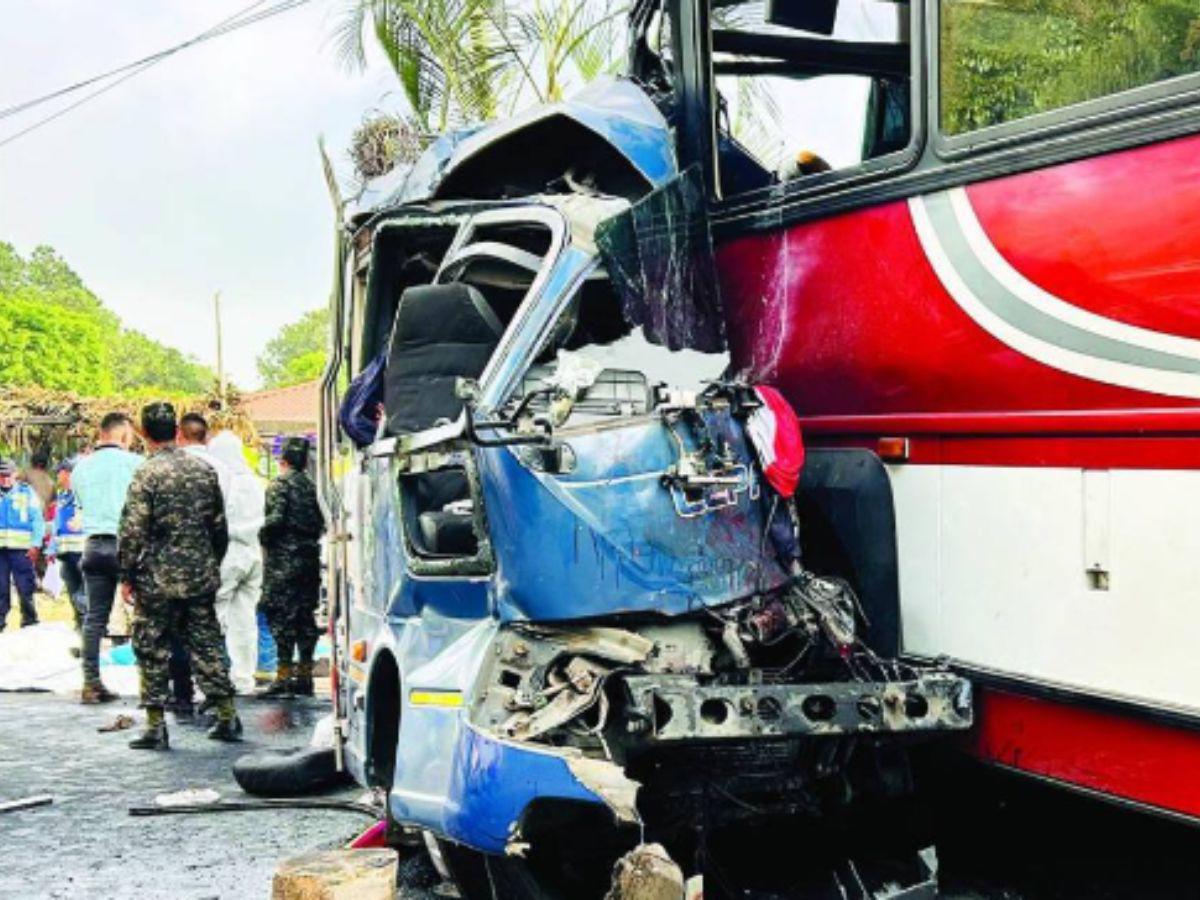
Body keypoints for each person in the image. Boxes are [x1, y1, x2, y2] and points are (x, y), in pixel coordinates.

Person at [119, 402, 241, 749]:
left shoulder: (147, 474)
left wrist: (126, 573)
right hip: (200, 574)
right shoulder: (203, 471)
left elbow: (132, 530)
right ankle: (226, 714)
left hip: (157, 578)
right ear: (175, 431)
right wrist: (210, 562)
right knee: (207, 642)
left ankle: (156, 725)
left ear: (144, 433)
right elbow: (219, 527)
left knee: (152, 646)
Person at [72, 412, 142, 704]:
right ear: (124, 434)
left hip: (93, 547)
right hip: (127, 547)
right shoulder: (135, 464)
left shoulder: (80, 469)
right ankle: (151, 686)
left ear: (100, 433)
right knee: (145, 615)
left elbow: (82, 505)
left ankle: (91, 682)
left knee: (94, 619)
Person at [259, 437, 325, 697]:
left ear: (283, 460)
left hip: (283, 561)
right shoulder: (314, 487)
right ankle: (305, 675)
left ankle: (284, 676)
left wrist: (264, 537)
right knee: (305, 617)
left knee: (281, 616)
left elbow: (274, 521)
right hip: (309, 558)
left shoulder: (279, 485)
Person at [208, 431, 264, 695]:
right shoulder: (255, 481)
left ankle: (214, 679)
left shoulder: (222, 481)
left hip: (229, 552)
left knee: (214, 616)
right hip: (253, 553)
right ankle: (244, 679)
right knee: (245, 620)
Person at [0, 458, 44, 630]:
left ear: (15, 474)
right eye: (1, 475)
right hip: (1, 552)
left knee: (25, 587)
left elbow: (37, 520)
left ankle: (30, 621)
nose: (4, 479)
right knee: (1, 588)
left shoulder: (27, 492)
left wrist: (36, 544)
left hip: (22, 550)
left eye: (7, 475)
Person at [48, 458, 88, 633]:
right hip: (65, 552)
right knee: (73, 590)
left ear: (68, 474)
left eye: (61, 472)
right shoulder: (62, 496)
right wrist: (51, 548)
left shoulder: (82, 494)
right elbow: (57, 525)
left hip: (81, 551)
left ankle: (89, 627)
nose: (58, 475)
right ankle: (79, 624)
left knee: (84, 592)